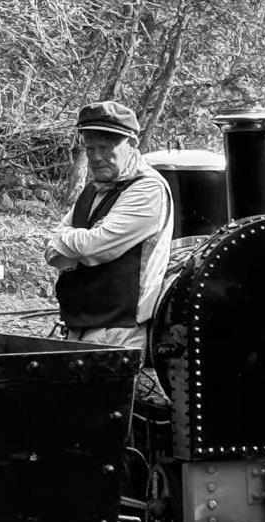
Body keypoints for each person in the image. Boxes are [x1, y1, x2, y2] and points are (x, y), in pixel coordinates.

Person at [45, 101, 173, 351]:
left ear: (132, 144)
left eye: (105, 147)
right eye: (90, 148)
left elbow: (96, 247)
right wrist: (72, 243)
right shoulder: (93, 189)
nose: (96, 157)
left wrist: (66, 240)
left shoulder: (148, 188)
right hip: (78, 324)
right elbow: (53, 252)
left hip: (117, 330)